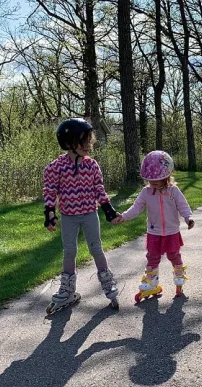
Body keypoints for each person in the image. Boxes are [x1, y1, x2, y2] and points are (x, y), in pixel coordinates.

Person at [43, 118, 120, 314]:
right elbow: (50, 191)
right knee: (69, 251)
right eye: (84, 141)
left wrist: (109, 210)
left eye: (89, 141)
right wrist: (50, 214)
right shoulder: (55, 167)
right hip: (68, 216)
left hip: (89, 214)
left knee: (96, 248)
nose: (88, 146)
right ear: (69, 142)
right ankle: (67, 290)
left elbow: (99, 190)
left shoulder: (92, 165)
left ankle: (107, 283)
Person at [112, 150, 195, 300]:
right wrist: (124, 216)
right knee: (152, 257)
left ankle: (179, 276)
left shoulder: (173, 191)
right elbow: (136, 207)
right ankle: (151, 283)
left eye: (156, 180)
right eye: (150, 180)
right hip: (154, 233)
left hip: (172, 232)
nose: (152, 183)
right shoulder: (146, 192)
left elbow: (183, 206)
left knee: (174, 255)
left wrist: (188, 218)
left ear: (166, 176)